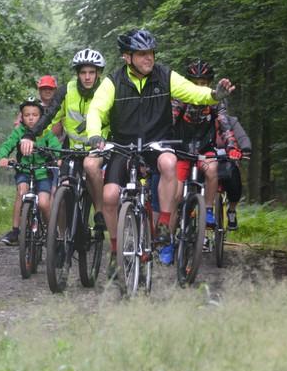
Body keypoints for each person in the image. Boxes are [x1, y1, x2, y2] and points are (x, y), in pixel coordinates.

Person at [85, 29, 235, 277]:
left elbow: (191, 91)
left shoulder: (165, 76)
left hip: (158, 142)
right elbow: (96, 110)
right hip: (124, 145)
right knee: (110, 196)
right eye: (142, 54)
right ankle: (115, 250)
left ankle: (164, 224)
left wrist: (213, 95)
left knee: (169, 162)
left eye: (151, 53)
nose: (149, 58)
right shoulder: (113, 82)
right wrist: (94, 134)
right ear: (127, 57)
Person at [19, 48, 109, 232]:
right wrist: (30, 135)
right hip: (72, 148)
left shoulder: (106, 90)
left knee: (90, 167)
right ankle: (60, 237)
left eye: (91, 72)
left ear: (98, 73)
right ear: (77, 73)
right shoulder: (67, 90)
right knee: (62, 189)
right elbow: (49, 116)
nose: (87, 77)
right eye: (83, 72)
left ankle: (99, 212)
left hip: (99, 148)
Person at [172, 59, 242, 233]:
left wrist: (232, 147)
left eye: (203, 83)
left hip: (205, 148)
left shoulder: (215, 101)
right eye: (195, 83)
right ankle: (169, 239)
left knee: (212, 170)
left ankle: (208, 210)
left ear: (209, 83)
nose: (199, 86)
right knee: (176, 194)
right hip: (181, 150)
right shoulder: (180, 98)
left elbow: (225, 125)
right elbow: (169, 121)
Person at [0, 97, 62, 245]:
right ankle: (15, 231)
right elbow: (7, 145)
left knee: (44, 203)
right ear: (22, 117)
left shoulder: (46, 133)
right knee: (21, 193)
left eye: (35, 115)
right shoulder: (18, 132)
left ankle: (51, 231)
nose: (31, 118)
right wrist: (3, 157)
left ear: (41, 117)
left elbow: (56, 147)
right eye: (27, 115)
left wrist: (59, 158)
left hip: (43, 173)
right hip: (24, 171)